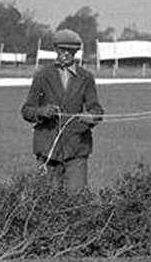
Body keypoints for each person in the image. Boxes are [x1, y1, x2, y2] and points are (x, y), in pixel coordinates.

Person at [21, 28, 104, 194]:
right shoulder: (42, 76)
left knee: (76, 198)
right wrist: (42, 111)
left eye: (71, 51)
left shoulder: (86, 77)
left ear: (76, 52)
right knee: (46, 199)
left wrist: (91, 117)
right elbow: (27, 110)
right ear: (56, 50)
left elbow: (97, 109)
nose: (66, 54)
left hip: (77, 147)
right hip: (48, 148)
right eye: (62, 50)